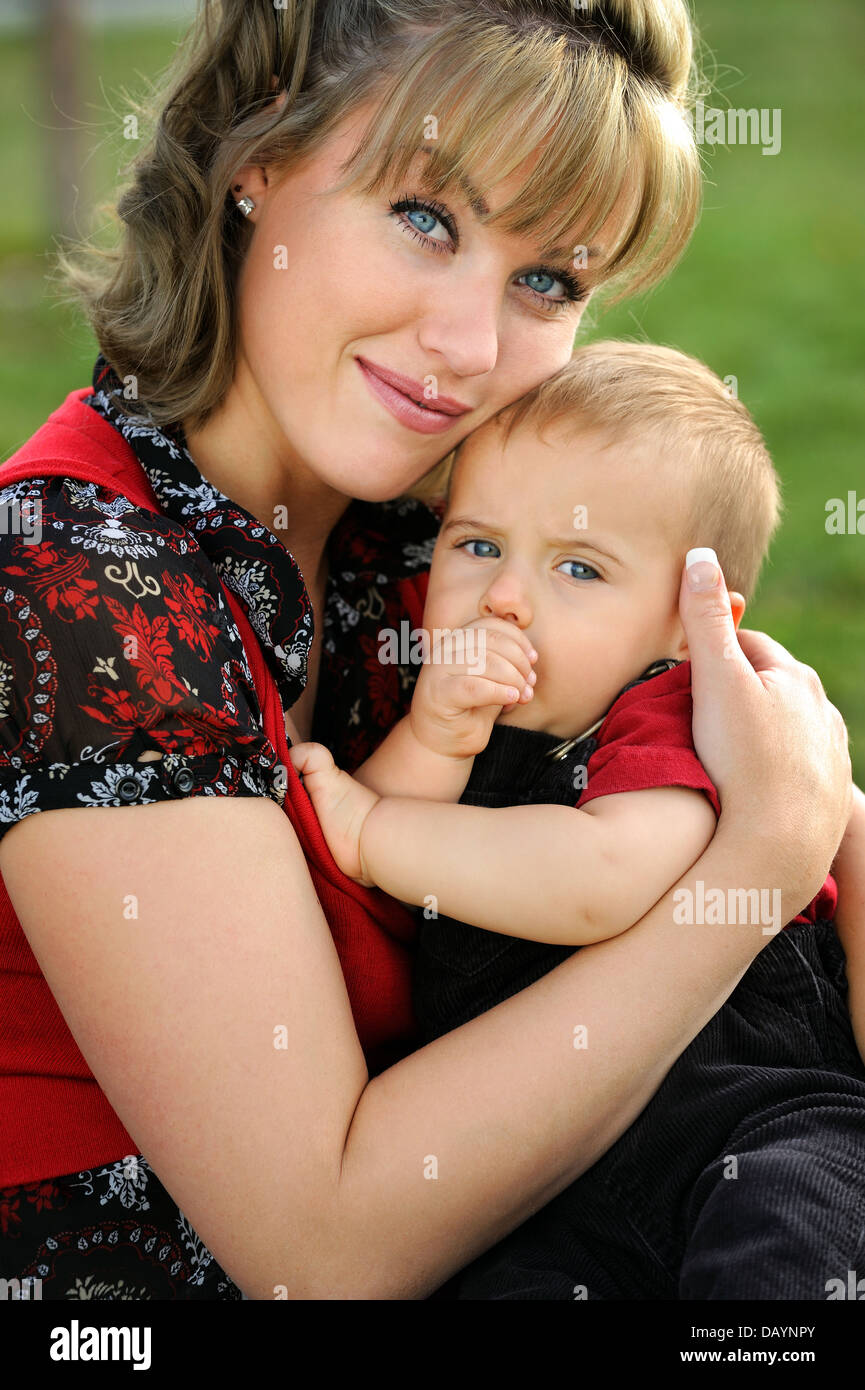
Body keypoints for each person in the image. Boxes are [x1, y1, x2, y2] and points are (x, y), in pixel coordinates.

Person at [0, 0, 857, 1302]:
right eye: (425, 216)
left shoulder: (450, 527)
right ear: (256, 160)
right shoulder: (71, 573)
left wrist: (813, 818)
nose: (468, 348)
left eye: (548, 279)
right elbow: (318, 1252)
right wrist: (753, 863)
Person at [291, 341, 865, 1298]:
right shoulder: (452, 713)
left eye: (580, 569)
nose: (504, 598)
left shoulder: (672, 717)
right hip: (548, 1180)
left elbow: (596, 882)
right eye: (478, 546)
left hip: (753, 1119)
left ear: (690, 624)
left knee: (783, 1262)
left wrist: (369, 834)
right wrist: (434, 733)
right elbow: (377, 837)